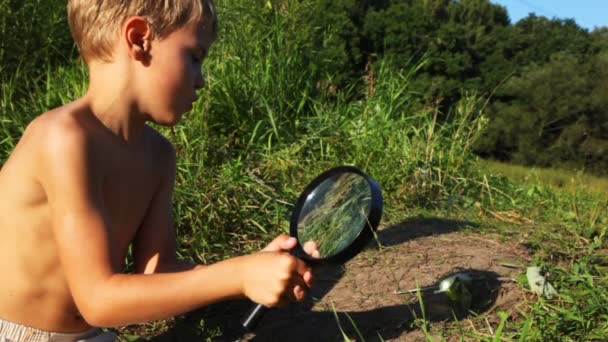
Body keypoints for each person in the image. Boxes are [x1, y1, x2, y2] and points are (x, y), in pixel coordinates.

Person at [0, 1, 316, 341]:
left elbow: (157, 271)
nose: (202, 81)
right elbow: (97, 299)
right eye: (194, 58)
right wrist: (236, 275)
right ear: (139, 39)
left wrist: (252, 273)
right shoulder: (64, 138)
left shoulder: (158, 155)